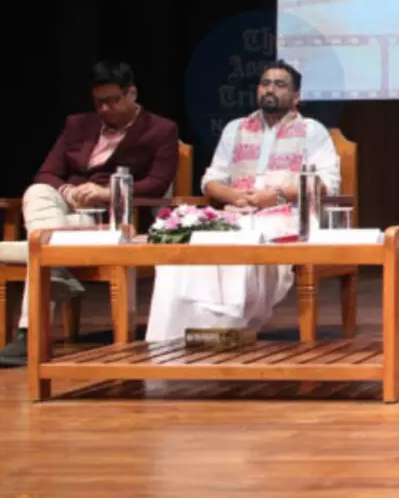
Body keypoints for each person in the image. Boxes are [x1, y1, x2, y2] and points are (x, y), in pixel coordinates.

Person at [144, 60, 339, 341]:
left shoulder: (312, 131)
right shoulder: (236, 128)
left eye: (280, 85)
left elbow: (325, 183)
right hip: (235, 214)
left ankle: (227, 326)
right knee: (190, 246)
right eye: (265, 83)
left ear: (296, 96)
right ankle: (178, 333)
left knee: (247, 239)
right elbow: (211, 180)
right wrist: (233, 195)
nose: (270, 89)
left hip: (285, 217)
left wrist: (277, 195)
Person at [0, 62, 179, 367]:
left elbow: (158, 183)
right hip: (64, 207)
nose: (105, 109)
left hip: (106, 216)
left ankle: (29, 335)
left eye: (112, 101)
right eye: (99, 103)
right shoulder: (77, 125)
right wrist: (67, 191)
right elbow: (47, 172)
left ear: (131, 93)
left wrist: (107, 192)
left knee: (40, 243)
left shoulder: (161, 130)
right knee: (36, 192)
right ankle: (56, 269)